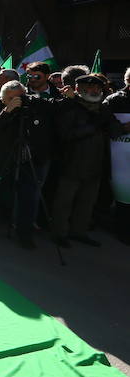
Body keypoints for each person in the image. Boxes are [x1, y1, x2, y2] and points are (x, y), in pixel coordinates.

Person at [50, 74, 128, 247]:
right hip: (72, 162)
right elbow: (65, 135)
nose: (94, 91)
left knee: (87, 202)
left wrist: (122, 127)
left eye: (98, 88)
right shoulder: (69, 106)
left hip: (96, 164)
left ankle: (79, 231)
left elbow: (113, 129)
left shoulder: (102, 108)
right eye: (90, 88)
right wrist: (94, 127)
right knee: (64, 201)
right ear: (78, 89)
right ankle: (59, 233)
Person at [0, 81, 55, 248]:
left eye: (20, 97)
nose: (17, 101)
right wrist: (8, 111)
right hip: (0, 159)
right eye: (12, 98)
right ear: (3, 97)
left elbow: (53, 107)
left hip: (26, 160)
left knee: (28, 198)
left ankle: (25, 233)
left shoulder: (32, 105)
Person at [104, 67, 130, 244]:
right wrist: (123, 128)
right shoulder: (114, 100)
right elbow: (104, 125)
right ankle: (123, 231)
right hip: (120, 159)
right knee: (124, 198)